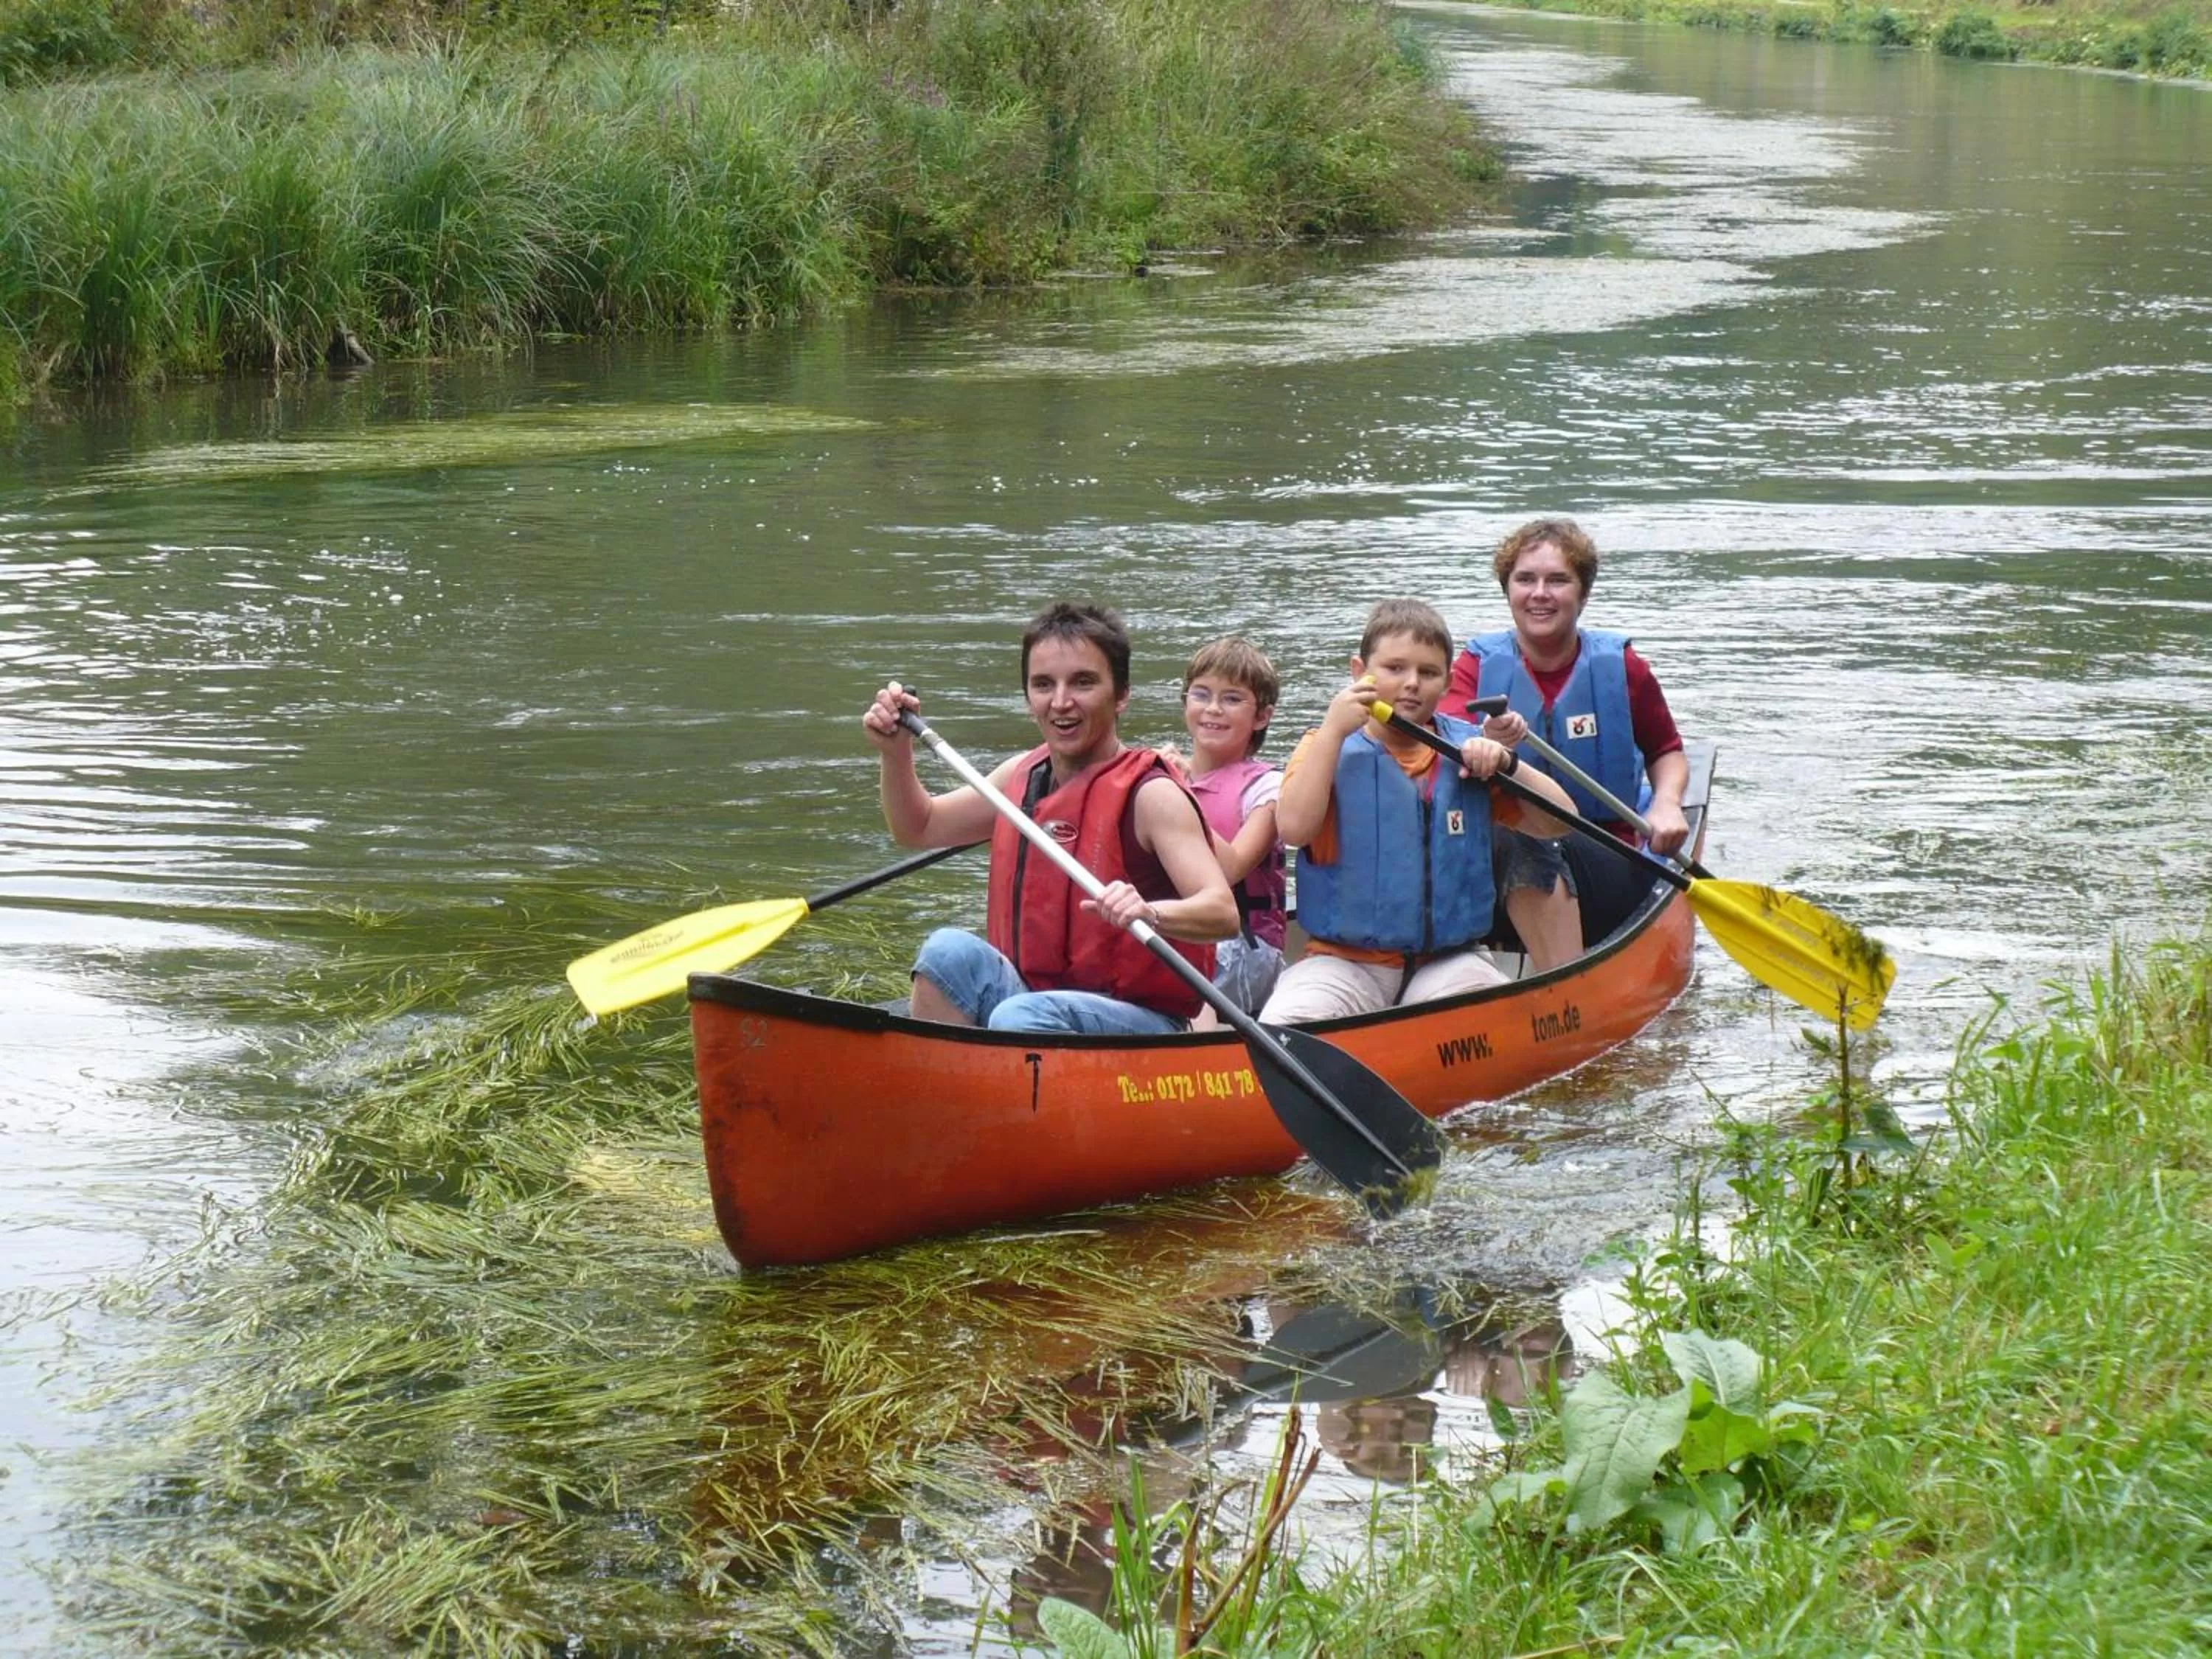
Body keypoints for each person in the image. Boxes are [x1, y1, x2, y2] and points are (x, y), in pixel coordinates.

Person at [861, 602, 1238, 1034]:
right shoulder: (1021, 776)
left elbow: (1222, 912)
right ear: (1027, 698)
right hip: (1035, 1000)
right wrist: (895, 753)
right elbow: (919, 827)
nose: (1061, 703)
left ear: (1122, 695)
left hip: (1140, 1020)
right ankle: (946, 1090)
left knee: (1019, 1016)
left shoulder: (1152, 795)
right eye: (1043, 685)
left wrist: (1150, 912)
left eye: (1083, 682)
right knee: (946, 952)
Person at [1258, 599, 1578, 1024]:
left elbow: (1562, 822)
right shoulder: (1325, 746)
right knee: (1285, 1026)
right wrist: (1334, 730)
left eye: (1428, 673)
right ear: (1360, 672)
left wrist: (1507, 764)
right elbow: (1295, 829)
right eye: (1394, 668)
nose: (1411, 683)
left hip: (1447, 961)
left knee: (1492, 1018)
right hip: (1345, 964)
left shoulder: (1468, 752)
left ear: (1446, 684)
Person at [1449, 518, 1689, 973]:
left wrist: (1668, 803)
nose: (1540, 593)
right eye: (1526, 579)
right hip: (1495, 870)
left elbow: (1666, 752)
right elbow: (1443, 752)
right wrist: (1484, 742)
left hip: (1608, 861)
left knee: (1531, 840)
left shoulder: (1623, 667)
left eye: (1558, 580)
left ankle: (1563, 990)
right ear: (1508, 590)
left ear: (1582, 593)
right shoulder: (1474, 667)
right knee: (1516, 833)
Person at [1179, 636, 1287, 1017]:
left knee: (1196, 960)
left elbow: (1230, 867)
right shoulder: (1162, 775)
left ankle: (1190, 1062)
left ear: (1262, 716)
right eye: (1201, 695)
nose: (1213, 709)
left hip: (1247, 946)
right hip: (1174, 929)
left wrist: (1177, 798)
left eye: (1231, 699)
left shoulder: (1268, 788)